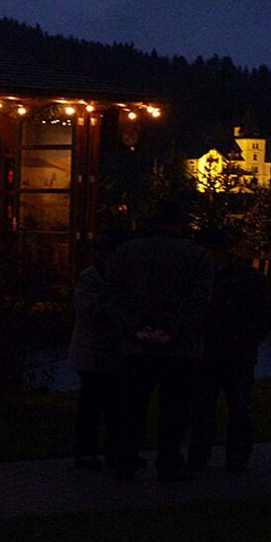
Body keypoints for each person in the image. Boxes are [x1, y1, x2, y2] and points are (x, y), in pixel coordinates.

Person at [101, 201, 213, 482]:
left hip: (134, 346)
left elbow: (112, 296)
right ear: (180, 225)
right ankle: (169, 461)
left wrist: (136, 327)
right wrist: (171, 330)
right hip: (180, 349)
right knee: (175, 408)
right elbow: (199, 302)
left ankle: (125, 460)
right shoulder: (197, 256)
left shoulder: (124, 253)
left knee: (131, 406)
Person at [187, 227, 271, 473]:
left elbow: (265, 314)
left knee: (237, 408)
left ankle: (236, 457)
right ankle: (200, 456)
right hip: (208, 354)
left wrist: (246, 341)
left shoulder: (245, 278)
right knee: (203, 409)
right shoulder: (200, 277)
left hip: (235, 354)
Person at [69, 233, 128, 471]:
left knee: (113, 404)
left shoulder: (103, 278)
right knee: (93, 403)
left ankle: (113, 450)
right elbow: (90, 312)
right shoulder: (91, 278)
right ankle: (89, 451)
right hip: (94, 350)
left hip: (109, 350)